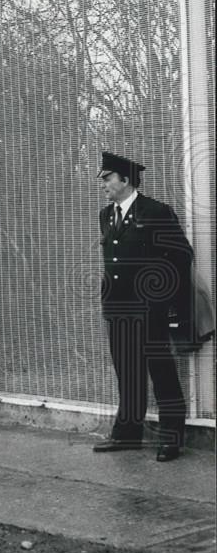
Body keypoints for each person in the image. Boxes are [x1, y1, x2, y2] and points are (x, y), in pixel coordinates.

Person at [94, 151, 193, 462]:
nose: (104, 185)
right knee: (128, 373)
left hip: (150, 310)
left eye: (107, 179)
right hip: (118, 310)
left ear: (125, 180)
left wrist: (161, 299)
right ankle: (127, 435)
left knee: (161, 372)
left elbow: (181, 256)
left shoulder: (156, 212)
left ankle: (172, 440)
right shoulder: (106, 215)